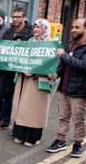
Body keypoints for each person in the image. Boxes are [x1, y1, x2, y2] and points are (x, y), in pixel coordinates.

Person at [46, 18, 86, 157]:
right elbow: (64, 65)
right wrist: (56, 74)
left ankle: (78, 143)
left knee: (78, 118)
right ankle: (61, 140)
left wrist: (63, 55)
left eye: (77, 27)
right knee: (63, 116)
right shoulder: (71, 44)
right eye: (73, 27)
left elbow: (83, 65)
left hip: (79, 90)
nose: (73, 30)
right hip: (64, 87)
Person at [11, 18, 54, 147]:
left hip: (39, 81)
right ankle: (20, 134)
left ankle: (33, 137)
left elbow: (51, 65)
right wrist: (23, 69)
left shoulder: (51, 43)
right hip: (25, 79)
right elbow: (21, 59)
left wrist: (34, 72)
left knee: (35, 111)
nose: (35, 29)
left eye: (38, 27)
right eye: (34, 27)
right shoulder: (30, 41)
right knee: (23, 108)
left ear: (45, 29)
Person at [0, 7, 33, 130]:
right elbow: (3, 47)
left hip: (22, 72)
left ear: (24, 18)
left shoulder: (30, 32)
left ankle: (19, 124)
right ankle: (5, 120)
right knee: (6, 96)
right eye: (13, 16)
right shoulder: (8, 32)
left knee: (21, 99)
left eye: (18, 17)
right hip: (7, 70)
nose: (15, 19)